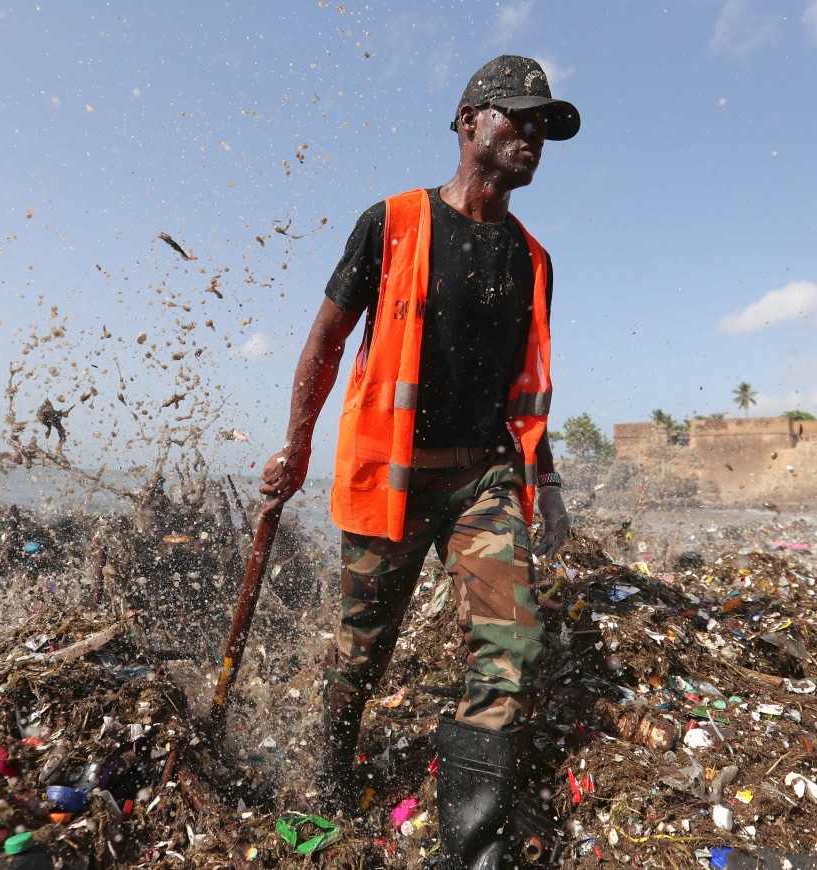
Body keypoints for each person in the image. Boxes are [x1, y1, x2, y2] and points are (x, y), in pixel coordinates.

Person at [259, 55, 578, 868]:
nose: (533, 137)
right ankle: (328, 772)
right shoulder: (394, 222)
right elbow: (326, 342)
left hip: (484, 479)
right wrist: (296, 449)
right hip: (393, 481)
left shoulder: (532, 259)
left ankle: (470, 846)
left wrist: (547, 480)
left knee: (511, 643)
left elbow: (527, 386)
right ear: (469, 120)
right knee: (362, 651)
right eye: (518, 118)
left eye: (544, 127)